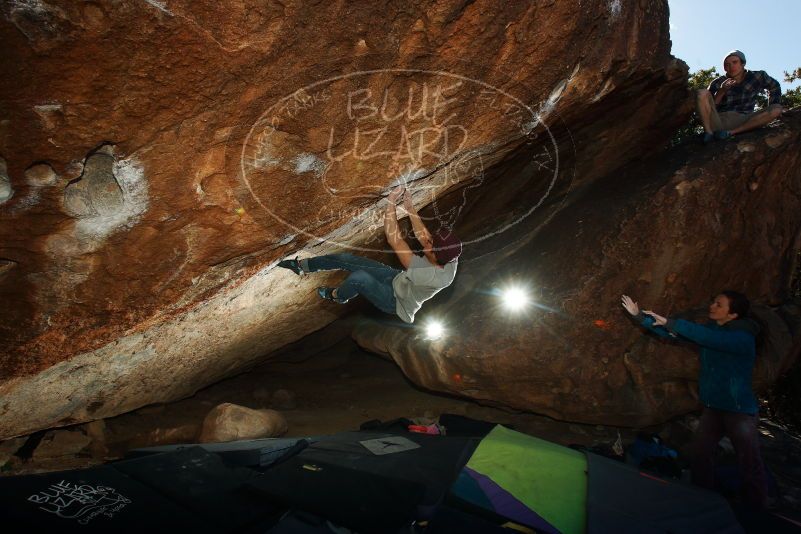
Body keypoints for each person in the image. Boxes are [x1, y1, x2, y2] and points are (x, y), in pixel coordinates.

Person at [621, 292, 769, 508]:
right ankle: (702, 497)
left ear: (733, 314)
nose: (712, 306)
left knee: (748, 460)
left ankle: (756, 506)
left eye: (719, 304)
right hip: (713, 407)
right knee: (700, 453)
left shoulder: (742, 338)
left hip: (738, 410)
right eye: (713, 301)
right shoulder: (713, 329)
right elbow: (672, 333)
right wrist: (639, 317)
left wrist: (672, 322)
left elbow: (710, 339)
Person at [278, 186, 461, 324]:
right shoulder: (450, 254)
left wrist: (391, 202)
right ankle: (302, 266)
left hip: (395, 302)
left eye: (430, 247)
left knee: (359, 278)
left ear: (437, 259)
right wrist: (409, 207)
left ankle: (337, 295)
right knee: (346, 259)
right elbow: (425, 238)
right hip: (397, 279)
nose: (427, 242)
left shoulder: (433, 277)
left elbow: (395, 241)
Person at [696, 49, 783, 143]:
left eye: (734, 62)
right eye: (727, 64)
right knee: (702, 93)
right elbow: (708, 107)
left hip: (744, 119)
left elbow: (774, 86)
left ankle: (730, 133)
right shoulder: (717, 82)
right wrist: (722, 91)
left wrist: (773, 103)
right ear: (724, 68)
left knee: (776, 109)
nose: (731, 66)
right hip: (719, 120)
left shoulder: (757, 76)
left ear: (743, 63)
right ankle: (708, 133)